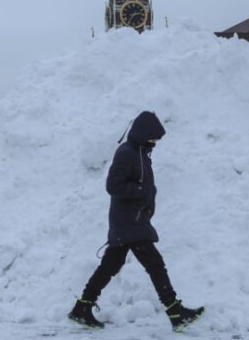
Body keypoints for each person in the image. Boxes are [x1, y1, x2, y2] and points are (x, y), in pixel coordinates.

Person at [68, 111, 204, 332]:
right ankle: (176, 313)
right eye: (153, 137)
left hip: (133, 221)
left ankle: (81, 308)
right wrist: (142, 191)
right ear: (143, 133)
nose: (155, 142)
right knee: (155, 264)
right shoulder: (126, 153)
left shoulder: (141, 153)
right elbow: (113, 186)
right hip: (129, 222)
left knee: (110, 266)